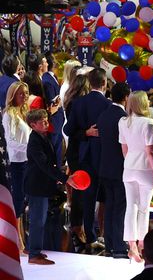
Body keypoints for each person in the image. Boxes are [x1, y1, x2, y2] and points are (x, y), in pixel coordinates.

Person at [64, 68, 111, 253]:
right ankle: (103, 236)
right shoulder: (109, 105)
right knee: (106, 199)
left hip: (85, 157)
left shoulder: (79, 103)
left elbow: (68, 131)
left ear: (90, 83)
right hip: (105, 157)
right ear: (104, 83)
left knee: (87, 197)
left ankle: (90, 236)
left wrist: (84, 133)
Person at [24, 109, 74, 265]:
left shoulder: (42, 137)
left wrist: (58, 176)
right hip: (36, 186)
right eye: (42, 121)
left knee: (40, 219)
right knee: (37, 220)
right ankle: (33, 254)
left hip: (41, 185)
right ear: (33, 125)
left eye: (46, 120)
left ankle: (35, 249)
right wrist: (64, 178)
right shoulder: (34, 141)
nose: (46, 123)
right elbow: (44, 165)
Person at [120, 91, 153, 263]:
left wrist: (130, 162)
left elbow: (124, 149)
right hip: (145, 169)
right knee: (143, 209)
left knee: (131, 207)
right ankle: (142, 245)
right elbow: (150, 152)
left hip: (128, 167)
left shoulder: (123, 121)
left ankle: (132, 246)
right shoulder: (148, 122)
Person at [96, 82, 131, 259]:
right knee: (119, 207)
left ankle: (110, 244)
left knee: (110, 206)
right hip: (119, 169)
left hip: (104, 168)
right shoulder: (123, 118)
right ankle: (118, 246)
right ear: (126, 97)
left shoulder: (103, 116)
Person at [62, 72, 89, 251]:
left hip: (76, 150)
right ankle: (76, 227)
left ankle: (77, 226)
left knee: (79, 191)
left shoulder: (73, 103)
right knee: (79, 191)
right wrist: (86, 133)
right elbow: (70, 129)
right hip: (77, 150)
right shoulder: (76, 105)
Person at [3, 81, 30, 251]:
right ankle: (16, 241)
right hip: (16, 162)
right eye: (21, 93)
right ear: (13, 95)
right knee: (17, 200)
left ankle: (20, 239)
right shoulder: (9, 115)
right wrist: (30, 147)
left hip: (25, 161)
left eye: (26, 93)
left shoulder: (23, 113)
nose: (24, 96)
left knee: (22, 200)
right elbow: (10, 141)